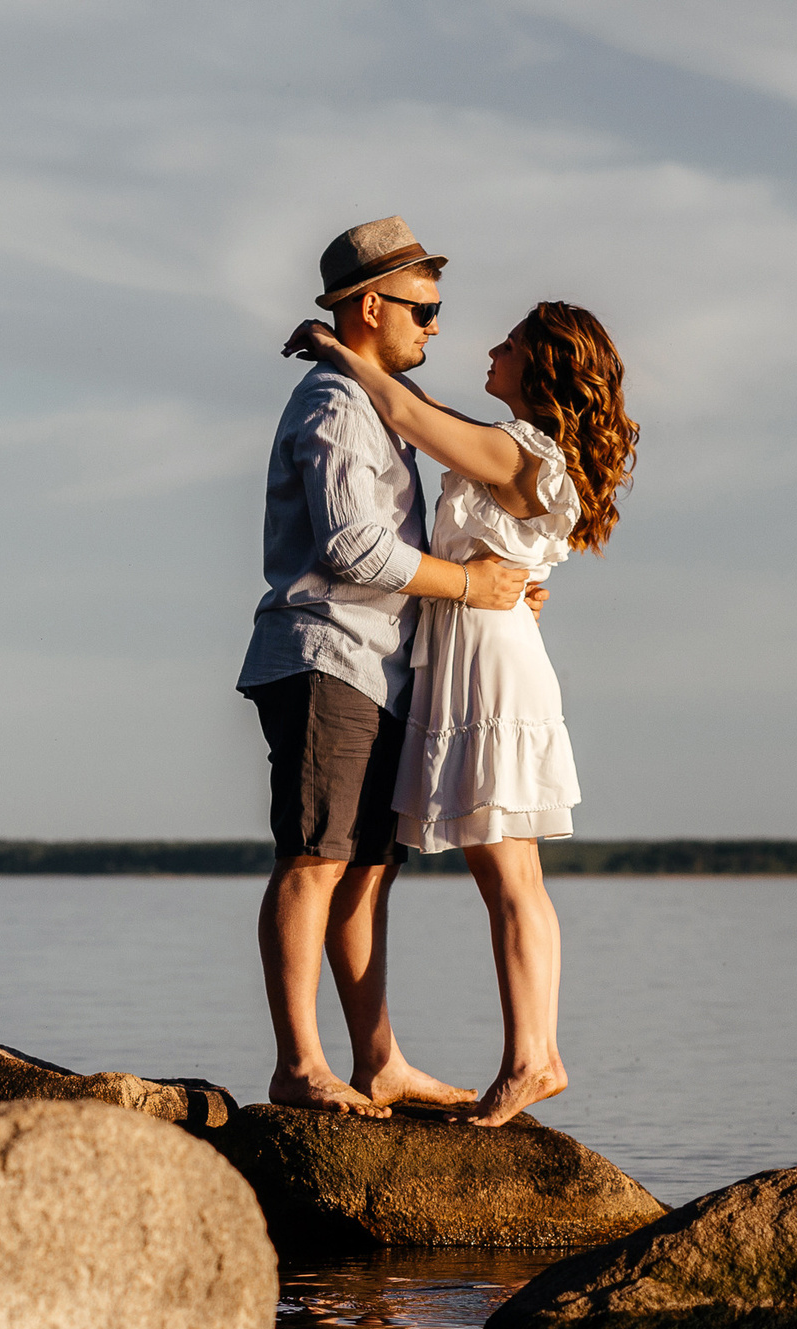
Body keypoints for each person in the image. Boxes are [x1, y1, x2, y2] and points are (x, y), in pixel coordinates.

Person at [284, 300, 638, 1125]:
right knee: (503, 869)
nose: (488, 348)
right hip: (479, 651)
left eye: (508, 344)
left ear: (542, 367)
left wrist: (339, 348)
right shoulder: (514, 445)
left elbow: (407, 410)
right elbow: (431, 420)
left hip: (491, 664)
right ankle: (531, 1054)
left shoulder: (520, 450)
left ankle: (533, 1058)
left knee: (509, 871)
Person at [236, 217, 534, 1117]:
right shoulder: (333, 403)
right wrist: (471, 586)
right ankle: (299, 1066)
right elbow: (355, 545)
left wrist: (490, 586)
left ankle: (380, 1062)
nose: (435, 327)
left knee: (368, 867)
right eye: (424, 308)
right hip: (325, 655)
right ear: (372, 307)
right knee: (314, 859)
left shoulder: (371, 401)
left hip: (374, 667)